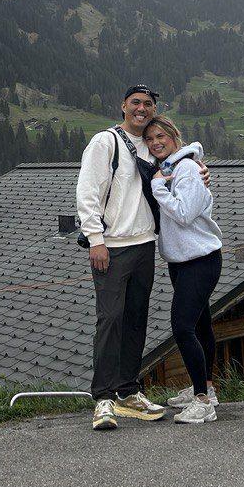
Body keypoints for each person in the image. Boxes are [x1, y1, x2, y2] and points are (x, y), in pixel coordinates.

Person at [76, 85, 168, 430]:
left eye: (148, 104)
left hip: (145, 245)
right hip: (111, 247)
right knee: (110, 320)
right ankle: (102, 398)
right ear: (123, 107)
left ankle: (128, 391)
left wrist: (200, 170)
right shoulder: (106, 142)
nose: (142, 108)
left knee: (135, 320)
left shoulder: (154, 145)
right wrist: (95, 239)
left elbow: (182, 162)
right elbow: (87, 193)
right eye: (136, 103)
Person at [145, 114, 223, 424]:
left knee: (183, 327)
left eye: (161, 135)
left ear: (174, 136)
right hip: (182, 261)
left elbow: (185, 214)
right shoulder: (170, 169)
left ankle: (203, 403)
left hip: (200, 261)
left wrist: (158, 189)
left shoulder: (187, 169)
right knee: (202, 325)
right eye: (150, 139)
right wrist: (160, 182)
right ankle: (205, 388)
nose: (156, 142)